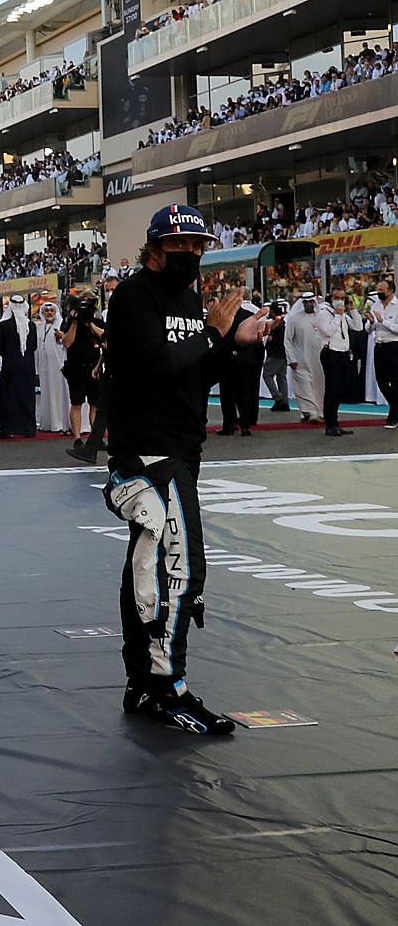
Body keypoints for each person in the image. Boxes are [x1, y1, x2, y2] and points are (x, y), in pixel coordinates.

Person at [103, 204, 268, 734]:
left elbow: (195, 371)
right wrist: (215, 334)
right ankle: (167, 685)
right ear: (153, 248)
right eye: (180, 246)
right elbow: (159, 363)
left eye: (199, 246)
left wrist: (235, 346)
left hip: (180, 446)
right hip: (150, 452)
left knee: (149, 567)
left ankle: (144, 683)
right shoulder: (132, 297)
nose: (191, 254)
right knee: (180, 570)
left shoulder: (189, 297)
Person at [61, 289, 106, 457]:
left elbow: (105, 338)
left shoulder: (98, 322)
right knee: (77, 402)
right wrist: (74, 322)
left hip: (94, 367)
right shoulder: (71, 322)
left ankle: (96, 437)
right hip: (76, 366)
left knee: (95, 404)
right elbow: (67, 342)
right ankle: (78, 437)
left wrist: (90, 324)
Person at [216, 294, 268, 438]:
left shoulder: (223, 318)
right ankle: (245, 425)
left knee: (227, 395)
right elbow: (258, 341)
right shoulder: (250, 316)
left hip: (227, 360)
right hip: (246, 361)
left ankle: (229, 425)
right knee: (244, 393)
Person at [0, 294, 38, 438]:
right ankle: (29, 429)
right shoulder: (30, 325)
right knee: (27, 397)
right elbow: (34, 346)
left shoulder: (4, 325)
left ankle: (8, 429)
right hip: (27, 366)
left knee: (8, 397)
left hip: (10, 366)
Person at [315, 286, 354, 437]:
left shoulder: (343, 314)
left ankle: (336, 422)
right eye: (337, 297)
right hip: (331, 352)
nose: (340, 301)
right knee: (331, 389)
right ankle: (330, 424)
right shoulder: (324, 314)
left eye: (343, 298)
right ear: (330, 298)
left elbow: (357, 326)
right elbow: (327, 331)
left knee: (339, 389)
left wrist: (352, 311)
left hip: (343, 352)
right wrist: (338, 316)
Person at [36, 298, 70, 434]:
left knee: (59, 395)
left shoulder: (62, 325)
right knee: (47, 395)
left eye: (51, 310)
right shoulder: (40, 328)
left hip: (59, 367)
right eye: (46, 310)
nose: (49, 313)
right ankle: (48, 423)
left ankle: (60, 423)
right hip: (45, 368)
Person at [286, 293, 321, 422]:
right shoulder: (294, 319)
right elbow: (288, 340)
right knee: (303, 385)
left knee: (318, 386)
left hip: (319, 360)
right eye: (306, 302)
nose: (309, 304)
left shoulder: (321, 317)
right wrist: (291, 359)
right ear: (303, 303)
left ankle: (315, 411)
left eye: (311, 302)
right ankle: (310, 411)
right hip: (300, 359)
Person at [371, 278, 398, 428]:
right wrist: (371, 322)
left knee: (395, 382)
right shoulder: (376, 305)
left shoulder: (397, 306)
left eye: (382, 290)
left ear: (391, 291)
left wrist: (382, 321)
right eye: (378, 290)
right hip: (379, 346)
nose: (379, 293)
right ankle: (395, 407)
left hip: (393, 346)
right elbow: (369, 329)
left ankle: (393, 416)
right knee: (381, 381)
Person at [262, 300, 292, 412]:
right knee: (281, 378)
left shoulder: (275, 324)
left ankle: (278, 398)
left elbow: (269, 339)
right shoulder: (284, 323)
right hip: (283, 353)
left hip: (274, 354)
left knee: (267, 375)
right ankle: (284, 401)